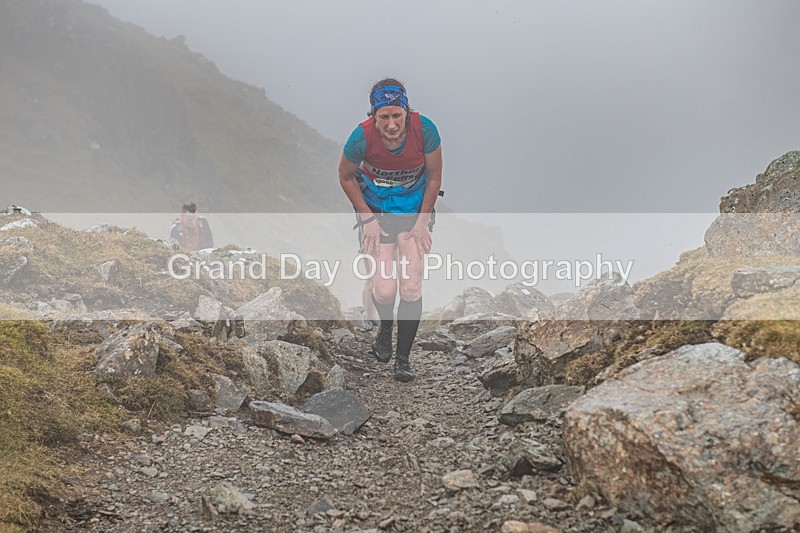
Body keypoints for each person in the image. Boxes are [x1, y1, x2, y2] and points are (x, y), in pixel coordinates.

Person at [338, 78, 443, 382]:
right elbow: (345, 176)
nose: (392, 124)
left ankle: (403, 359)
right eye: (384, 117)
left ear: (407, 112)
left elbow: (434, 178)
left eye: (397, 115)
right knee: (384, 289)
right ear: (374, 115)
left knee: (410, 286)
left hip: (414, 212)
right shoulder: (361, 137)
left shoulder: (425, 131)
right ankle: (385, 329)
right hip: (378, 213)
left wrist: (423, 221)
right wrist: (367, 219)